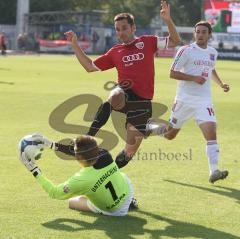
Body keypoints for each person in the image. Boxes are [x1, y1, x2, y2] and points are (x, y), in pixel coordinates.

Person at [64, 0, 180, 169]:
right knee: (115, 94)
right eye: (118, 29)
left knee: (129, 151)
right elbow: (90, 67)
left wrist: (167, 20)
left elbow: (175, 41)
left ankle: (111, 171)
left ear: (133, 28)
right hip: (125, 93)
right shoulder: (115, 51)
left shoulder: (148, 42)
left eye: (124, 28)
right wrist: (75, 44)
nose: (121, 32)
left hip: (142, 102)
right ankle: (86, 140)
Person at [163, 21, 230, 183]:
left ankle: (214, 171)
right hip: (184, 101)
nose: (200, 35)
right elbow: (172, 73)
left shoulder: (213, 52)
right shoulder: (186, 50)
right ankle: (153, 129)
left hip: (204, 102)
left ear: (209, 35)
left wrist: (220, 84)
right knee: (170, 135)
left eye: (203, 32)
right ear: (194, 34)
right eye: (197, 32)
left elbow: (211, 69)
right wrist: (193, 78)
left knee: (211, 134)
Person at [19, 134, 137, 216]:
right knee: (117, 176)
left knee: (73, 201)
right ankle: (131, 201)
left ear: (79, 157)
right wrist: (51, 145)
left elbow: (54, 192)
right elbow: (84, 152)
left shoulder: (80, 179)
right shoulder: (104, 153)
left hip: (115, 211)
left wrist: (34, 169)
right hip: (128, 191)